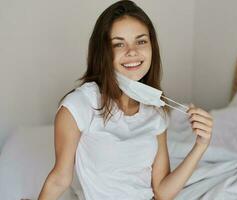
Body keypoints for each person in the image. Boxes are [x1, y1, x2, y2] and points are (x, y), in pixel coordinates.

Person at [38, 1, 213, 200]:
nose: (132, 51)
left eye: (141, 41)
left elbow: (163, 192)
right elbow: (60, 179)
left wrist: (200, 145)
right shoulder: (78, 106)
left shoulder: (155, 111)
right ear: (103, 52)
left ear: (151, 46)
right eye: (119, 44)